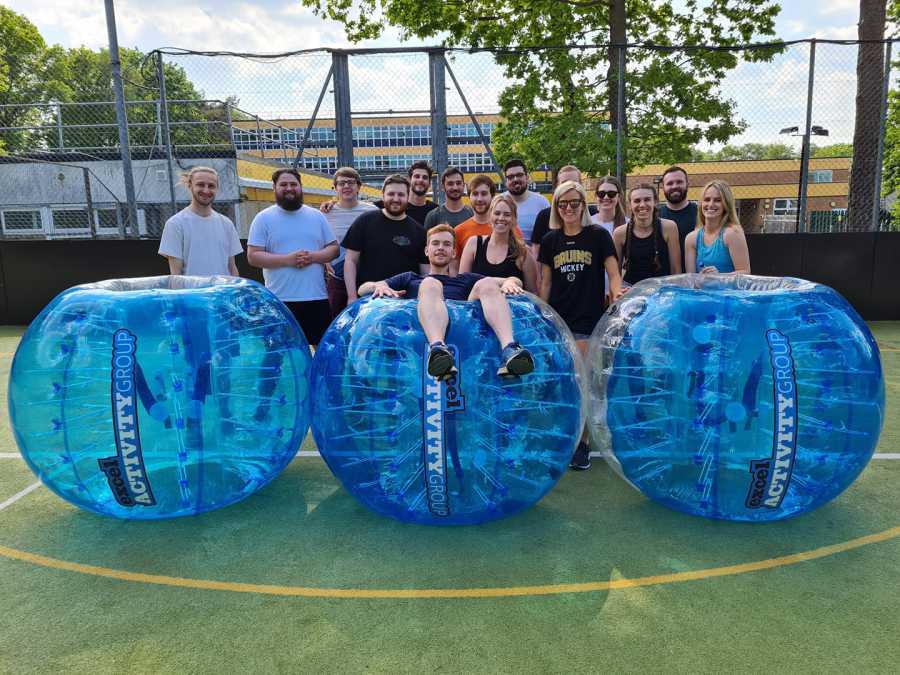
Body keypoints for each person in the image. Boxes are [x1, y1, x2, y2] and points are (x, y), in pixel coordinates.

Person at [360, 224, 534, 379]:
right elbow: (362, 289)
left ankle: (510, 348)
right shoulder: (410, 278)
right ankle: (437, 350)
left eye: (447, 244)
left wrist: (511, 281)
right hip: (419, 342)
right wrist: (379, 285)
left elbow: (514, 281)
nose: (441, 248)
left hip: (466, 337)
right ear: (427, 250)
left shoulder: (465, 279)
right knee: (430, 283)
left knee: (487, 283)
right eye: (435, 243)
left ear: (454, 253)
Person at [539, 180, 622, 471]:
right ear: (556, 207)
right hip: (559, 319)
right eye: (563, 204)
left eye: (574, 203)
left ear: (583, 205)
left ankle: (582, 444)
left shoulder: (598, 235)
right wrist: (542, 317)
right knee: (563, 383)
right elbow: (546, 283)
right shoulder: (550, 240)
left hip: (588, 319)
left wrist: (617, 293)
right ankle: (566, 438)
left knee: (582, 382)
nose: (569, 208)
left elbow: (613, 273)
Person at [247, 168, 339, 347]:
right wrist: (287, 260)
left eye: (293, 184)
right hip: (279, 299)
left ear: (300, 186)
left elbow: (334, 249)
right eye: (283, 184)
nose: (289, 188)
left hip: (316, 297)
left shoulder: (316, 216)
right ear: (274, 188)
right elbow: (253, 256)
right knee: (280, 352)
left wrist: (313, 257)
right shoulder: (263, 218)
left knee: (320, 349)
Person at [342, 174, 429, 305]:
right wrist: (351, 297)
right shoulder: (364, 221)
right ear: (383, 195)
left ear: (408, 197)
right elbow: (350, 261)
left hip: (405, 302)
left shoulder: (419, 232)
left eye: (401, 195)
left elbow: (425, 274)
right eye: (391, 194)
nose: (396, 199)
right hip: (369, 299)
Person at [158, 166, 242, 276]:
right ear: (190, 186)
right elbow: (176, 275)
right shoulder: (175, 224)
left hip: (223, 288)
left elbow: (232, 268)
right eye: (200, 185)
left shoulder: (227, 224)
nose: (206, 190)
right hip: (192, 288)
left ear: (217, 189)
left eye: (211, 186)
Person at [322, 167, 377, 318]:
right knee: (336, 318)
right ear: (335, 188)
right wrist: (325, 260)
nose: (346, 186)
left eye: (351, 182)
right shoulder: (326, 213)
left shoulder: (372, 211)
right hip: (337, 276)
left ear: (358, 186)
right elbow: (318, 240)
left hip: (366, 275)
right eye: (341, 183)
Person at [458, 194, 538, 293]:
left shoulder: (523, 252)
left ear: (514, 219)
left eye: (507, 214)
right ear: (490, 216)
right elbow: (462, 284)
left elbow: (532, 293)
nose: (501, 218)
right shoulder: (473, 244)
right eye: (497, 213)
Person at [320, 160, 438, 226]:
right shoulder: (384, 206)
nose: (420, 180)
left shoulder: (434, 211)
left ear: (430, 183)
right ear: (409, 180)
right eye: (417, 176)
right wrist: (334, 203)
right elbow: (355, 205)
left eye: (425, 177)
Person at [612, 183, 683, 285]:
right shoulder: (620, 233)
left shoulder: (669, 228)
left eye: (647, 200)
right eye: (637, 201)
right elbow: (615, 273)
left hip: (662, 289)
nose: (642, 205)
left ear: (655, 202)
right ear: (630, 205)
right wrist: (618, 292)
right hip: (631, 289)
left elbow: (676, 270)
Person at [530, 164, 597, 260]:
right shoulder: (544, 216)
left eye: (574, 182)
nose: (569, 187)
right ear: (557, 186)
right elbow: (536, 250)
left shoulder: (593, 214)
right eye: (564, 183)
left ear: (581, 185)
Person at [685, 180, 751, 275]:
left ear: (726, 204)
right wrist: (700, 279)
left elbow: (745, 272)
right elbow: (690, 278)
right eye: (707, 199)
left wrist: (719, 277)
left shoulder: (733, 233)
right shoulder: (691, 238)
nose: (711, 204)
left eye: (718, 200)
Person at [454, 175, 524, 258]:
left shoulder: (511, 229)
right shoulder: (459, 231)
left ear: (492, 196)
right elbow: (455, 264)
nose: (479, 199)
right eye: (475, 194)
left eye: (484, 194)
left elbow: (521, 259)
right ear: (469, 197)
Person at [502, 159, 550, 243]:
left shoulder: (542, 203)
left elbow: (549, 234)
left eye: (519, 175)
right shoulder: (498, 202)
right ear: (506, 181)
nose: (515, 179)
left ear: (527, 177)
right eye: (510, 177)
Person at [658, 165, 699, 261]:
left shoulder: (701, 214)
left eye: (679, 182)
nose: (674, 186)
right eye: (669, 183)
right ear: (663, 188)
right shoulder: (655, 216)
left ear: (687, 184)